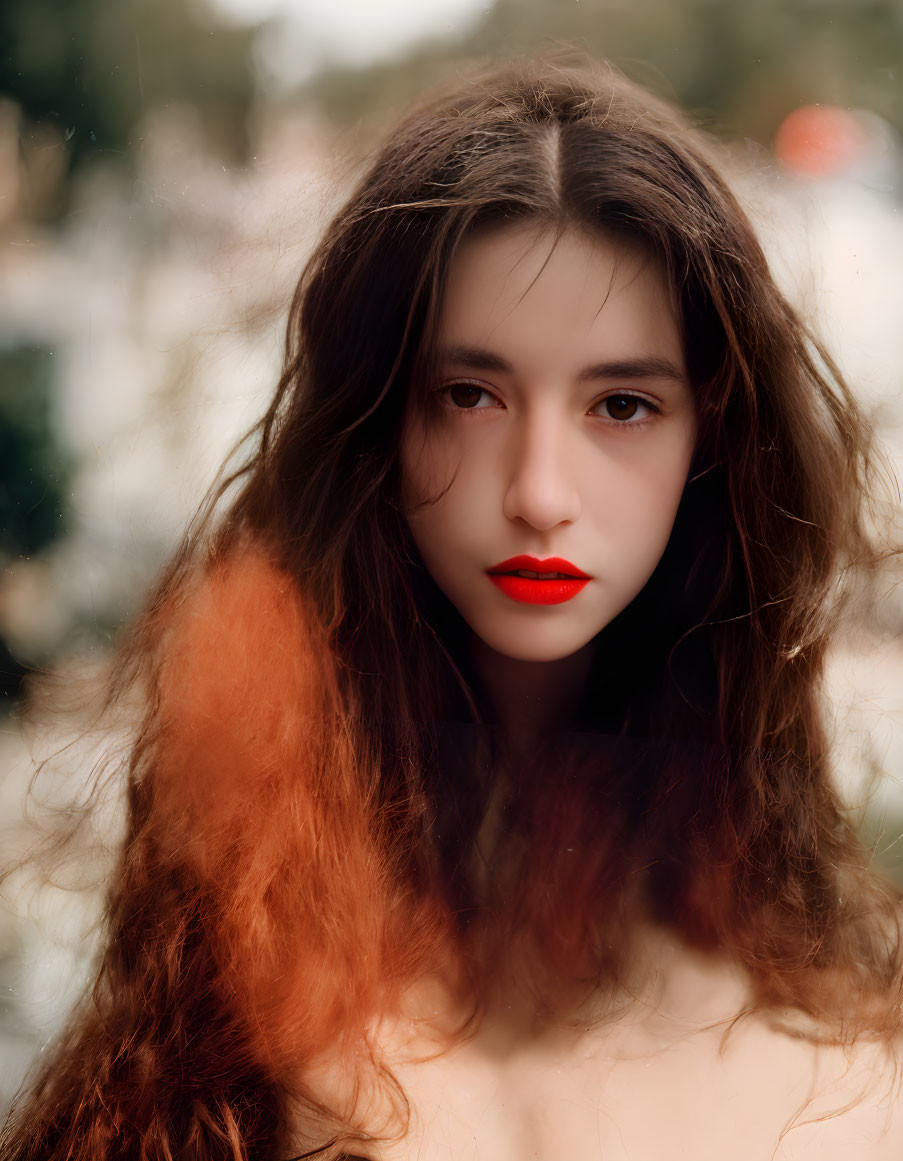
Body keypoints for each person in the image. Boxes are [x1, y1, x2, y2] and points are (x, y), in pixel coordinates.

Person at [3, 53, 903, 1161]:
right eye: (469, 395)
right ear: (380, 425)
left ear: (710, 446)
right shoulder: (238, 1039)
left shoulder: (852, 1089)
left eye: (622, 404)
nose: (537, 492)